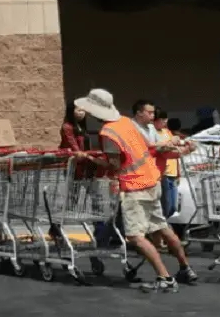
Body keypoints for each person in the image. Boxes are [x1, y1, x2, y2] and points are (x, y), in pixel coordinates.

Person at [75, 88, 197, 293]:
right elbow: (144, 149)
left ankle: (165, 278)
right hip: (152, 181)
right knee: (162, 228)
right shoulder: (125, 122)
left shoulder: (107, 133)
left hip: (135, 186)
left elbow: (114, 164)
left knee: (135, 236)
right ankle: (185, 268)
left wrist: (88, 158)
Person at [154, 108, 182, 219]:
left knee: (173, 207)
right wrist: (171, 142)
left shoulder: (167, 132)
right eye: (162, 119)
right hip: (163, 173)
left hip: (173, 173)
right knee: (165, 204)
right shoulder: (153, 133)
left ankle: (163, 225)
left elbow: (174, 149)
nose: (166, 121)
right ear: (156, 120)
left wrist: (179, 172)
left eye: (166, 118)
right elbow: (160, 148)